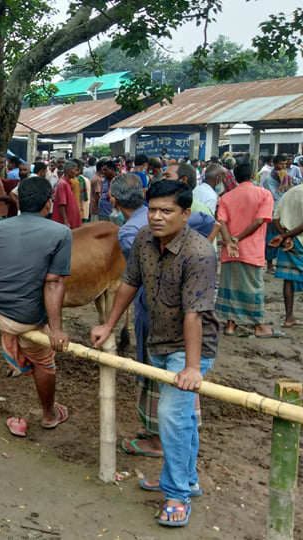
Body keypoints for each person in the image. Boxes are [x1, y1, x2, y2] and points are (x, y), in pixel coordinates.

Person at [92, 180, 218, 528]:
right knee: (184, 419)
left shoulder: (199, 253)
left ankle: (176, 493)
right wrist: (109, 324)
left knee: (172, 416)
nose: (158, 217)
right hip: (158, 339)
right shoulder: (145, 240)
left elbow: (194, 314)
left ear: (186, 213)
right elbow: (130, 283)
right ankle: (187, 480)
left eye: (168, 211)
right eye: (154, 210)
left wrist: (193, 367)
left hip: (191, 345)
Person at [0, 176, 71, 436]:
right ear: (49, 204)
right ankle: (49, 414)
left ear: (18, 202)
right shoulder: (61, 233)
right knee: (45, 361)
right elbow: (54, 282)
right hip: (25, 320)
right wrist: (56, 329)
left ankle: (8, 337)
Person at [216, 162, 279, 338]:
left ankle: (230, 325)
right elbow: (260, 220)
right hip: (252, 249)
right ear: (253, 175)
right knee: (254, 287)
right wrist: (238, 238)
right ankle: (258, 325)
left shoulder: (226, 197)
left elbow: (221, 221)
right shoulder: (264, 194)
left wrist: (230, 241)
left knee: (229, 286)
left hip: (230, 250)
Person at [271, 182, 303, 327]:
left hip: (287, 241)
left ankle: (288, 317)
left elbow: (275, 218)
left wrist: (284, 236)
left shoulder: (290, 192)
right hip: (299, 239)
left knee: (288, 279)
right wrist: (287, 236)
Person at [52, 161, 81, 229]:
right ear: (69, 170)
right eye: (75, 170)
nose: (76, 173)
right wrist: (65, 221)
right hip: (65, 223)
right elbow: (62, 204)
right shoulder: (62, 184)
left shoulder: (67, 183)